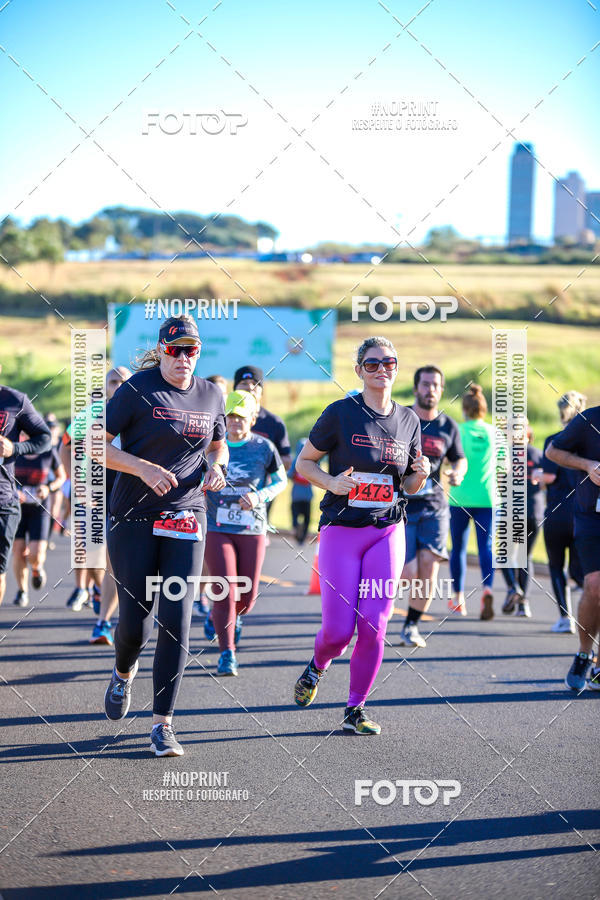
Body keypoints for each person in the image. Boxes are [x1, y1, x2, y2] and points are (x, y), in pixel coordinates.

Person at [99, 315, 228, 756]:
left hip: (187, 515)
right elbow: (96, 444)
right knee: (135, 623)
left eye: (191, 350)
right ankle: (122, 673)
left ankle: (162, 725)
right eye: (175, 350)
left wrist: (217, 467)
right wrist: (142, 468)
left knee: (176, 619)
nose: (183, 358)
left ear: (199, 352)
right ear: (161, 350)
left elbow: (218, 445)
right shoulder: (138, 388)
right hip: (133, 516)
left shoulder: (212, 394)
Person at [293, 337, 430, 735]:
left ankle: (356, 708)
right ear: (358, 370)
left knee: (374, 624)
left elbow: (409, 484)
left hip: (387, 530)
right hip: (342, 530)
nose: (381, 369)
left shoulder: (409, 420)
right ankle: (318, 665)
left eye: (389, 362)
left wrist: (421, 476)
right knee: (338, 632)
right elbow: (304, 462)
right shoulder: (340, 413)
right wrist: (331, 483)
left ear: (396, 368)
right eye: (372, 364)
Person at [204, 390, 286, 675]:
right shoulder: (213, 447)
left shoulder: (264, 447)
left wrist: (259, 496)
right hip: (216, 526)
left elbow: (280, 481)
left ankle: (231, 617)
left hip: (252, 527)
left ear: (252, 419)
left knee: (246, 599)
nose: (235, 422)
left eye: (241, 417)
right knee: (224, 589)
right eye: (230, 416)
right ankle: (227, 653)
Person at [399, 365, 467, 645]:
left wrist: (458, 472)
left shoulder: (448, 425)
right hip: (401, 505)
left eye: (436, 385)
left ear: (441, 390)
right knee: (407, 572)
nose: (431, 390)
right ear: (416, 388)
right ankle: (372, 611)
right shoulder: (400, 417)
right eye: (426, 384)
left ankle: (411, 626)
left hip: (434, 506)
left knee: (429, 566)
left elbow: (459, 458)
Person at [546, 404, 600, 692]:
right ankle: (584, 653)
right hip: (592, 516)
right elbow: (552, 451)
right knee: (594, 585)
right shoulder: (589, 419)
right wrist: (588, 465)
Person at [0, 371, 51, 606]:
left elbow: (45, 438)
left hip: (4, 501)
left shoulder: (15, 400)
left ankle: (27, 583)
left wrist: (15, 448)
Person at [90, 366, 132, 645]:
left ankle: (112, 618)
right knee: (108, 561)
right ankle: (104, 621)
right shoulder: (94, 414)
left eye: (123, 381)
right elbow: (68, 446)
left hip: (136, 496)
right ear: (105, 387)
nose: (118, 386)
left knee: (122, 564)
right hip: (104, 495)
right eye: (113, 381)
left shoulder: (141, 411)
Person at [448, 385, 496, 617]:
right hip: (487, 498)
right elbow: (505, 468)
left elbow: (449, 460)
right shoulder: (494, 433)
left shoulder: (458, 430)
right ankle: (487, 590)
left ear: (465, 409)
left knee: (458, 548)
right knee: (486, 547)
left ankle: (458, 598)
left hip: (460, 498)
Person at [541, 391, 586, 634]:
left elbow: (548, 476)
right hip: (582, 513)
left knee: (556, 566)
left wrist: (538, 476)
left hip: (557, 512)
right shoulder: (589, 443)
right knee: (581, 571)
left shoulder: (554, 440)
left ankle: (565, 618)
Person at [12, 431, 66, 607]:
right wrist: (14, 492)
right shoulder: (14, 451)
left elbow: (61, 477)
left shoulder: (48, 451)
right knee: (18, 551)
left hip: (40, 509)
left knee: (36, 554)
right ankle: (22, 591)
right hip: (17, 508)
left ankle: (36, 568)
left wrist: (48, 488)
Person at [500, 423, 544, 619]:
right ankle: (523, 604)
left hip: (512, 511)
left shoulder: (505, 454)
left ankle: (513, 587)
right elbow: (546, 482)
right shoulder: (539, 454)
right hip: (534, 512)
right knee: (526, 557)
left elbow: (498, 482)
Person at [233, 365, 292, 471]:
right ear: (235, 389)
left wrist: (263, 460)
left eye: (255, 384)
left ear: (262, 391)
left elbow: (287, 461)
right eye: (244, 383)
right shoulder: (223, 418)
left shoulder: (274, 422)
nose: (249, 388)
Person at [289, 437, 313, 544]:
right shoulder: (313, 462)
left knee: (295, 516)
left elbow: (290, 475)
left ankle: (297, 534)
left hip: (296, 495)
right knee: (306, 517)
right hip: (307, 495)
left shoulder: (296, 461)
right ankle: (302, 537)